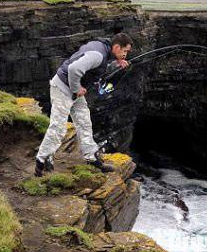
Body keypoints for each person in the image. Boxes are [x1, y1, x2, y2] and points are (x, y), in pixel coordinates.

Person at [35, 33, 133, 177]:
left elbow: (95, 67)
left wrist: (115, 64)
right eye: (125, 51)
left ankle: (91, 157)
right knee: (58, 127)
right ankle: (41, 161)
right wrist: (77, 89)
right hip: (63, 88)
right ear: (117, 47)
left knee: (84, 122)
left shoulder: (103, 50)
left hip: (73, 91)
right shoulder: (98, 54)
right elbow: (74, 69)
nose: (125, 54)